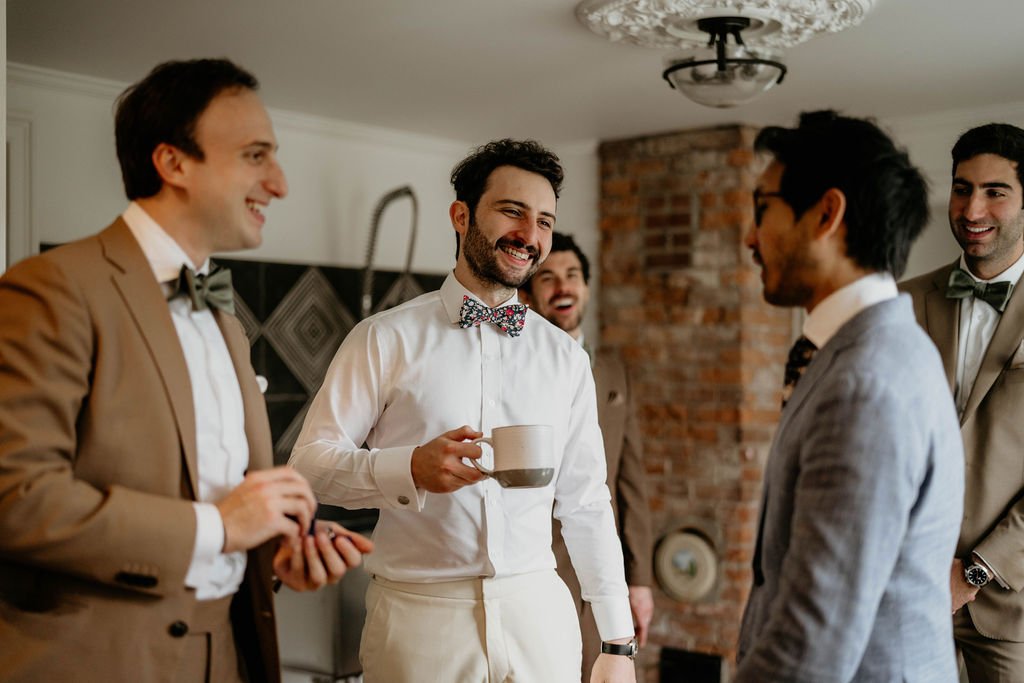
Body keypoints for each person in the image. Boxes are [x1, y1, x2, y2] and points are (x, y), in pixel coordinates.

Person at [0, 58, 372, 683]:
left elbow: (219, 503)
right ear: (173, 163)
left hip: (230, 652)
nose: (278, 184)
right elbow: (15, 499)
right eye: (256, 155)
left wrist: (275, 547)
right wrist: (221, 526)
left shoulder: (224, 318)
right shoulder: (52, 288)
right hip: (99, 661)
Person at [290, 139, 636, 683]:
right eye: (512, 211)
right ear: (461, 216)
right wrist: (408, 469)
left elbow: (587, 501)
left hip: (540, 616)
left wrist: (618, 640)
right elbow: (308, 466)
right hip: (418, 618)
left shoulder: (566, 357)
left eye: (544, 221)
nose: (530, 235)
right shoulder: (383, 338)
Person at [734, 110, 964, 681]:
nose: (750, 237)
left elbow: (813, 637)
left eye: (764, 210)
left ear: (826, 214)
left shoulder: (865, 382)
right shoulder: (876, 349)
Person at [900, 123, 1024, 681]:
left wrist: (975, 571)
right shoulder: (902, 301)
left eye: (995, 191)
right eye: (961, 187)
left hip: (1010, 598)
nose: (972, 207)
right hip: (901, 584)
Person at [519, 231, 654, 680]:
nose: (563, 287)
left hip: (601, 569)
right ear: (529, 293)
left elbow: (629, 480)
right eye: (549, 278)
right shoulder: (515, 371)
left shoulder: (614, 373)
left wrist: (639, 580)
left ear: (587, 288)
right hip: (536, 568)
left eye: (573, 276)